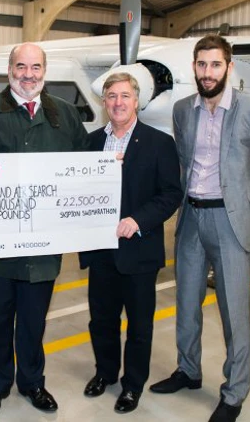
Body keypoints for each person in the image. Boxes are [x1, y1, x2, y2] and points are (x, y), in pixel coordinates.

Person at [149, 34, 250, 422]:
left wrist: (248, 209)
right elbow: (182, 161)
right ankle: (188, 370)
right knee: (187, 304)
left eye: (215, 65)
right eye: (201, 64)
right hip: (191, 218)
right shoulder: (182, 110)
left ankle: (234, 391)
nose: (208, 73)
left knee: (234, 312)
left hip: (231, 222)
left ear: (229, 66)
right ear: (194, 67)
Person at [0, 42, 89, 416]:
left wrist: (106, 168)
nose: (27, 74)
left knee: (33, 321)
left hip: (43, 247)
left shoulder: (64, 114)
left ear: (44, 71)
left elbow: (82, 170)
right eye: (20, 66)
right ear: (9, 68)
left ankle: (32, 382)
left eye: (35, 67)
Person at [79, 72, 182, 414]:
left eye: (125, 96)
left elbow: (170, 194)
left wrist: (138, 220)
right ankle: (105, 373)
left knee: (139, 325)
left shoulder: (159, 143)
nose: (118, 103)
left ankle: (132, 385)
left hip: (139, 252)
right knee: (102, 321)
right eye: (111, 96)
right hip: (102, 252)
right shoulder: (92, 143)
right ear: (104, 102)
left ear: (137, 101)